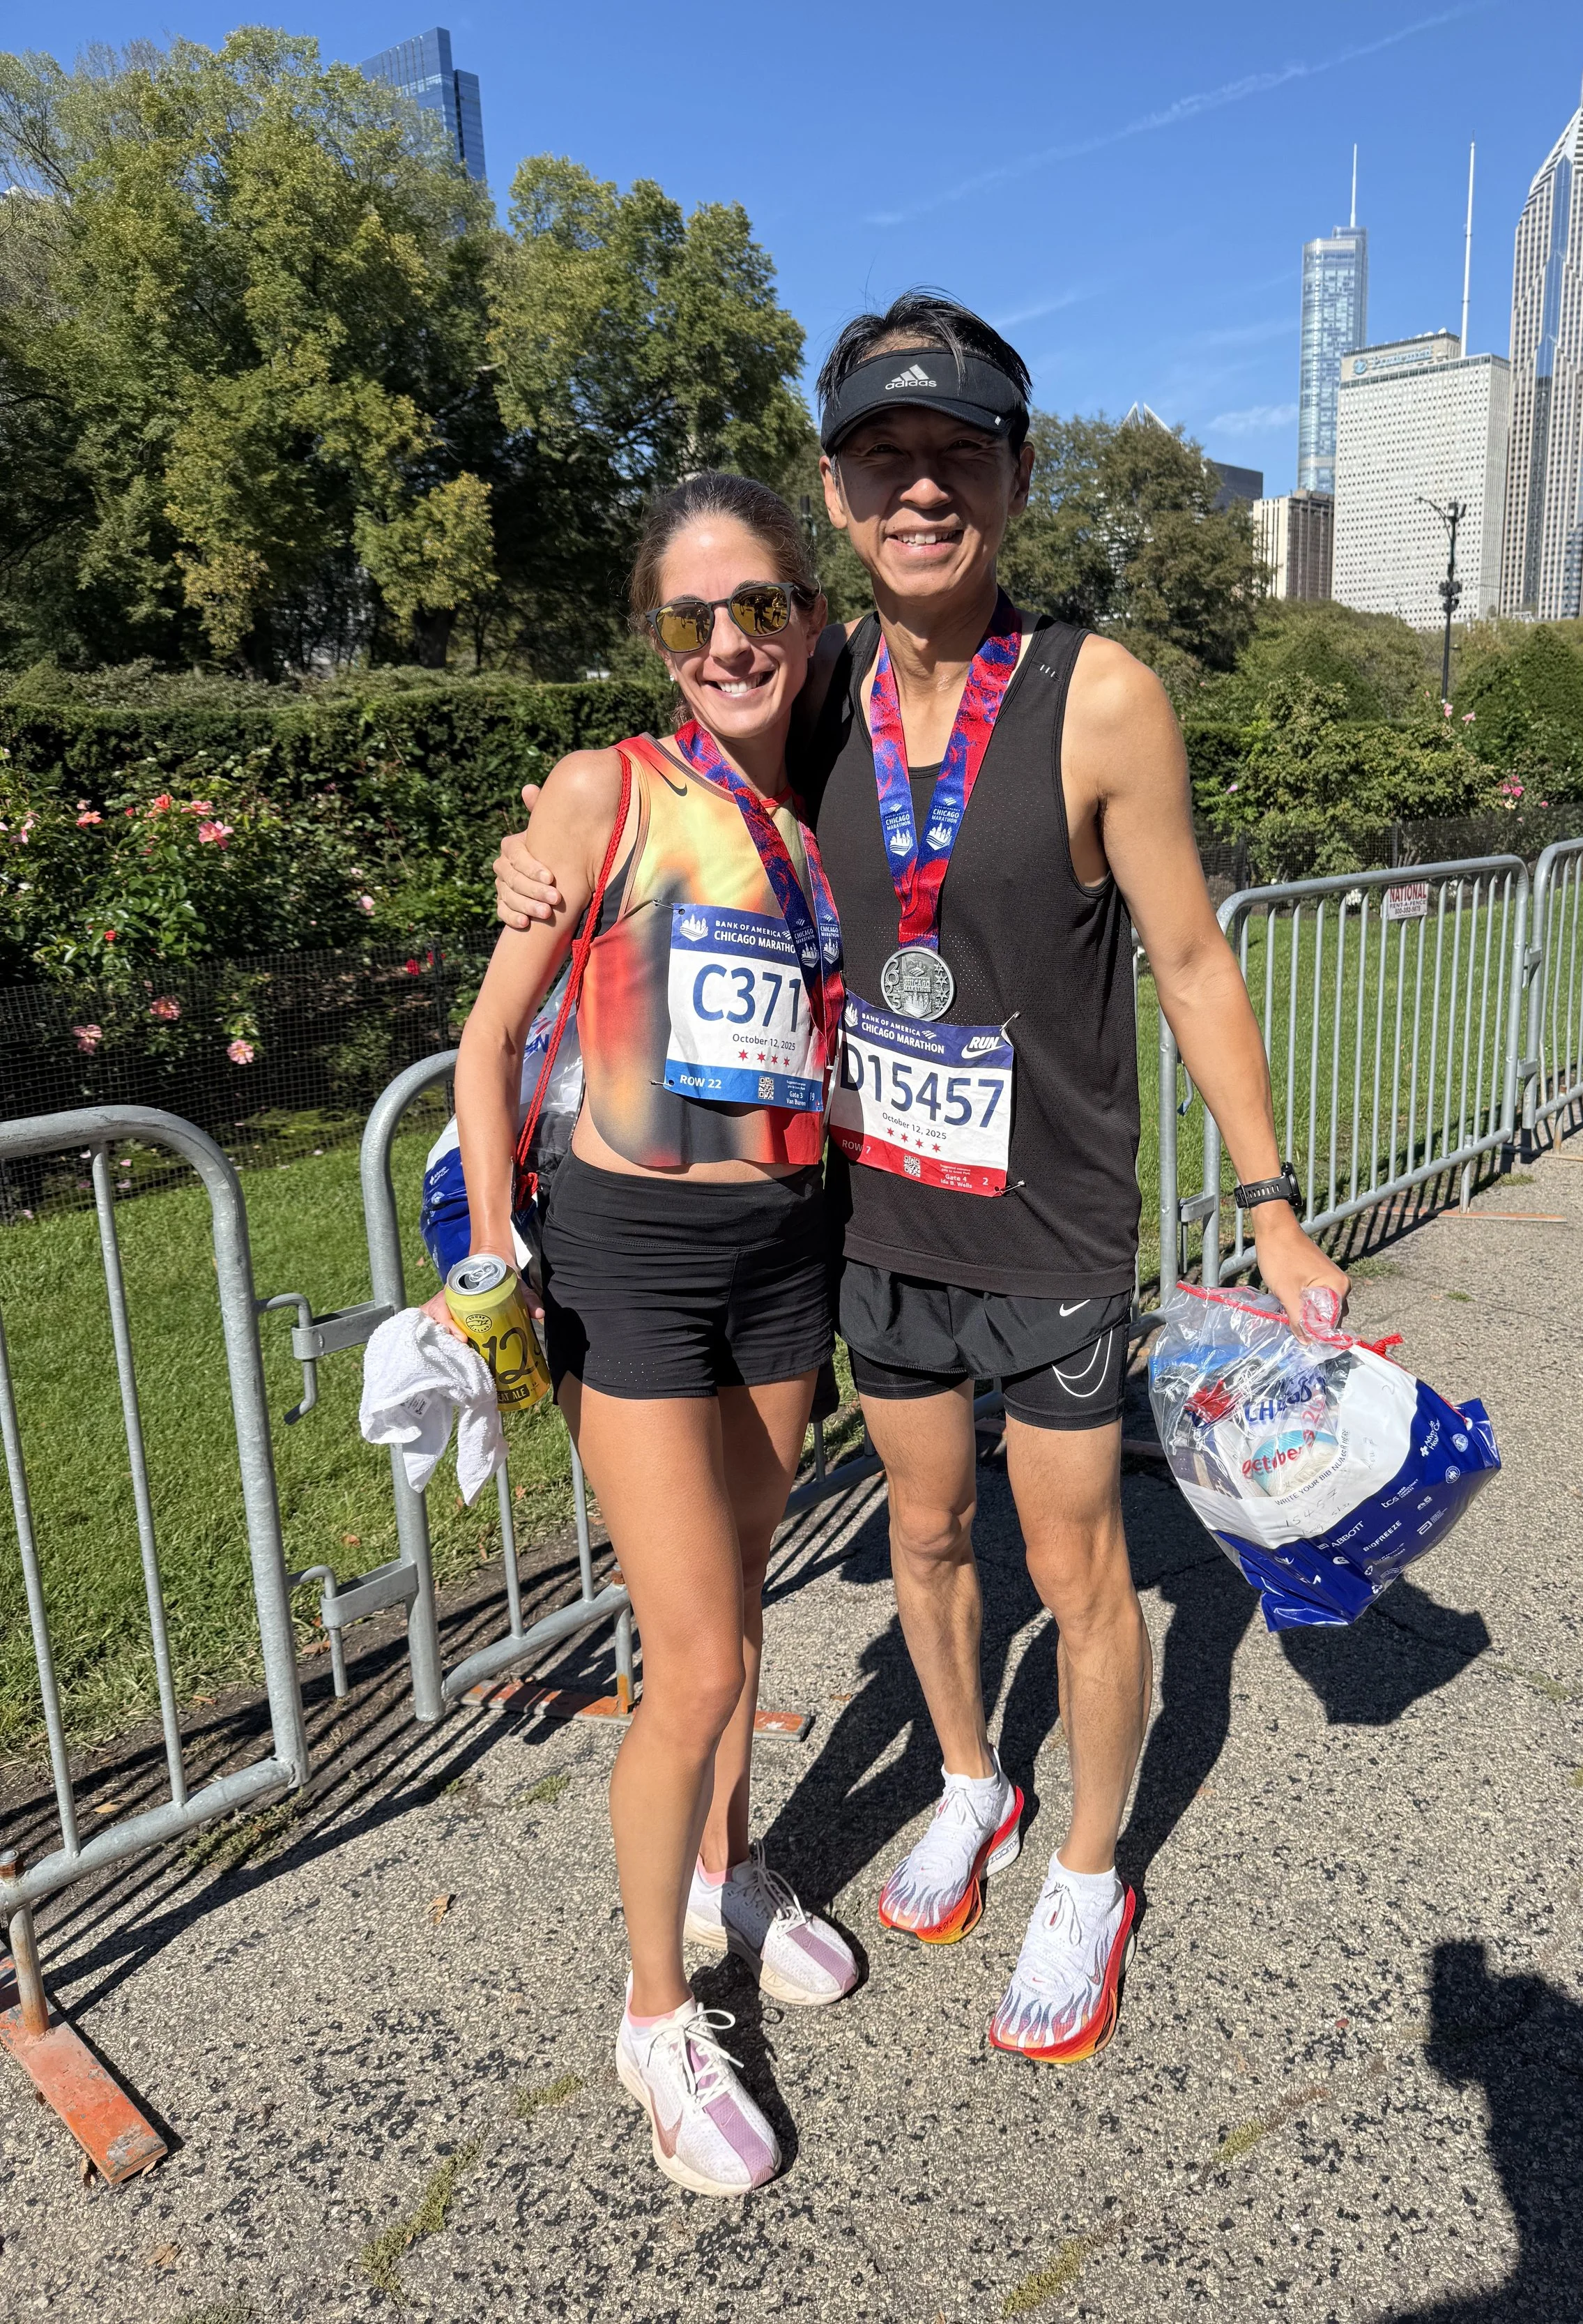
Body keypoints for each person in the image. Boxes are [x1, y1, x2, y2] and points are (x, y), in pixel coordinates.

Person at [494, 292, 1349, 2068]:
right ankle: (969, 1775)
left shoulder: (1101, 695)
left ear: (1017, 481)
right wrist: (537, 850)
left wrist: (1267, 1203)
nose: (923, 488)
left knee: (1077, 1554)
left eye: (959, 454)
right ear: (835, 491)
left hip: (1043, 1225)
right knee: (929, 1536)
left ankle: (1091, 1867)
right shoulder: (808, 695)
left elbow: (1191, 962)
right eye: (886, 458)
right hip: (867, 1230)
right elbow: (653, 768)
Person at [438, 472, 857, 2198]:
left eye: (756, 605)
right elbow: (484, 1050)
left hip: (784, 1252)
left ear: (805, 616)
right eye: (689, 619)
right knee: (684, 1661)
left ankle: (725, 1868)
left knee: (740, 1621)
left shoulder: (830, 813)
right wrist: (486, 1246)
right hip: (629, 1261)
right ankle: (650, 2013)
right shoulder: (602, 794)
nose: (726, 643)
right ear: (656, 641)